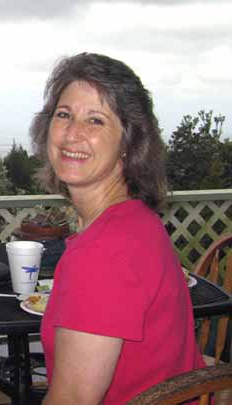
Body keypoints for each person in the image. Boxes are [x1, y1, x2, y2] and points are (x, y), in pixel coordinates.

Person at [30, 52, 205, 404]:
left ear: (128, 142)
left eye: (95, 120)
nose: (73, 133)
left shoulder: (103, 254)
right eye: (64, 114)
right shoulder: (137, 221)